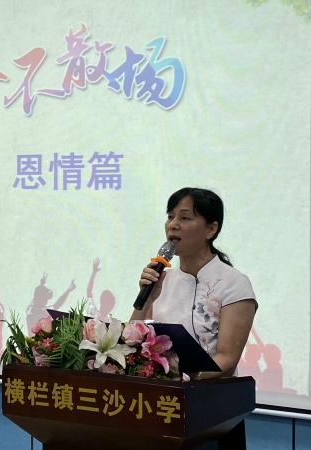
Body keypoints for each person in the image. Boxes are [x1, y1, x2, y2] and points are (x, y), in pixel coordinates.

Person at [130, 187, 257, 450]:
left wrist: (178, 376)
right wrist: (148, 299)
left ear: (211, 229)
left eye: (185, 218)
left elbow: (226, 360)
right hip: (163, 406)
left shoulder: (234, 283)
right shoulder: (162, 279)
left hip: (213, 413)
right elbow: (131, 340)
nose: (173, 225)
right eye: (170, 216)